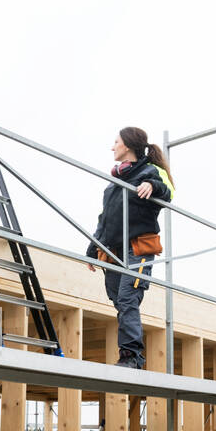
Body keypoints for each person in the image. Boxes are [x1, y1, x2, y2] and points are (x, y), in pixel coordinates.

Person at [86, 127, 174, 369]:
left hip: (138, 249)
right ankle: (130, 353)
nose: (112, 147)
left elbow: (168, 192)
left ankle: (132, 356)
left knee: (127, 299)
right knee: (118, 299)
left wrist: (152, 185)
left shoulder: (150, 171)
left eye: (116, 142)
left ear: (128, 145)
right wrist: (93, 248)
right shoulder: (114, 182)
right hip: (113, 252)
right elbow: (104, 218)